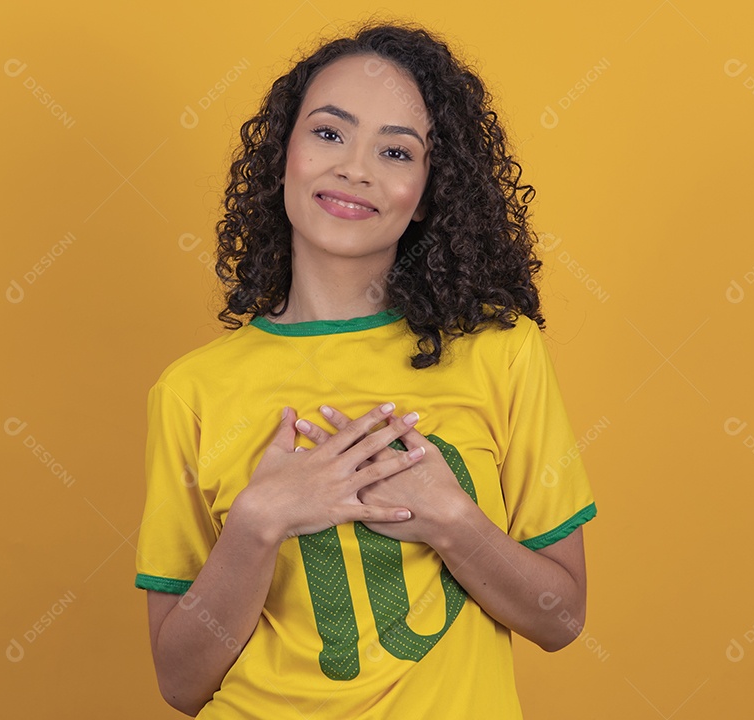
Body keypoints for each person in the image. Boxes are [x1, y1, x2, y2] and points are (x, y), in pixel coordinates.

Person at [135, 19, 598, 719]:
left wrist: (451, 521)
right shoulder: (191, 390)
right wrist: (258, 522)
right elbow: (180, 681)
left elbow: (560, 618)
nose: (355, 168)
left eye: (396, 151)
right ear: (282, 153)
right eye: (328, 133)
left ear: (428, 191)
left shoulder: (503, 351)